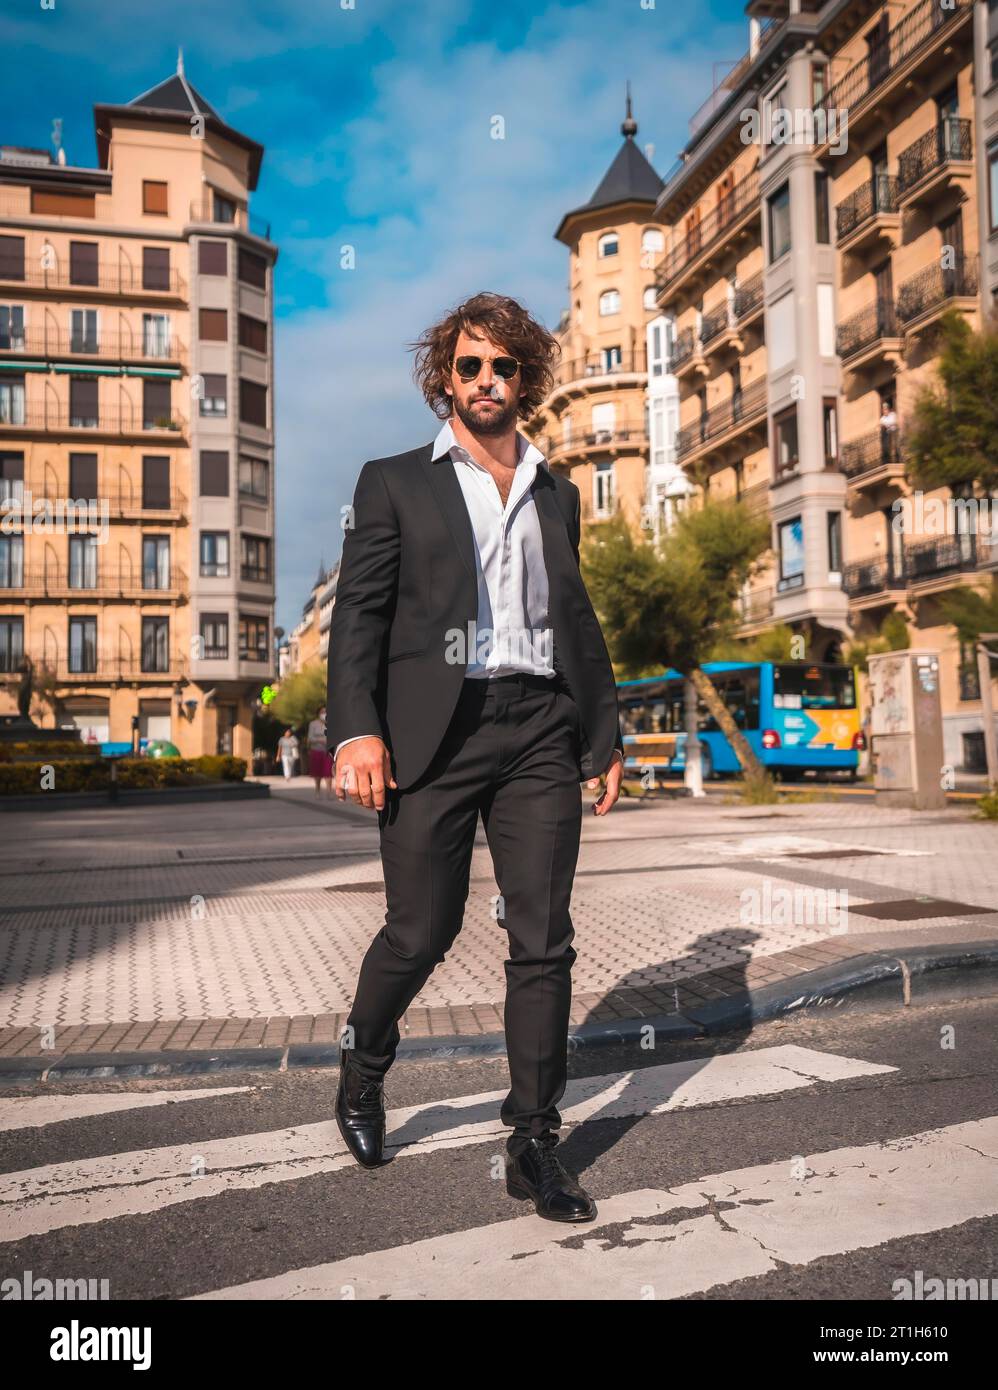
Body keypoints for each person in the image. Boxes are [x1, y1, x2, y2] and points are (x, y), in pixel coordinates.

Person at [326, 291, 624, 1222]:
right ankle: (363, 1066)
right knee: (423, 929)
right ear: (443, 377)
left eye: (503, 366)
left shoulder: (557, 490)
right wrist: (356, 729)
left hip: (539, 725)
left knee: (543, 940)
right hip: (434, 732)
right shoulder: (395, 482)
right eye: (469, 365)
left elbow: (573, 619)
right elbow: (359, 621)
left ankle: (534, 1141)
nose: (486, 380)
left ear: (527, 378)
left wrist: (601, 731)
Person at [306, 706, 332, 794]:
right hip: (316, 750)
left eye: (326, 712)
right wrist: (320, 740)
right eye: (322, 712)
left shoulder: (331, 723)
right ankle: (317, 789)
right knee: (317, 772)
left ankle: (329, 791)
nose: (324, 714)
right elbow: (310, 738)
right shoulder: (313, 724)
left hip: (327, 751)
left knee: (328, 771)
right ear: (318, 713)